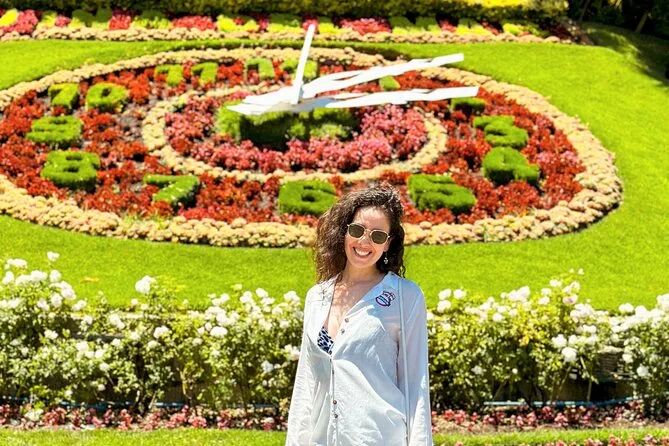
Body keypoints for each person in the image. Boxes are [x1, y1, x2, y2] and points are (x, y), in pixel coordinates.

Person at [286, 185, 433, 445]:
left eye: (377, 235)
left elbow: (416, 385)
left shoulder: (405, 297)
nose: (364, 242)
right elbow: (306, 383)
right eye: (357, 230)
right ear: (344, 232)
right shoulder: (317, 296)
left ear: (388, 244)